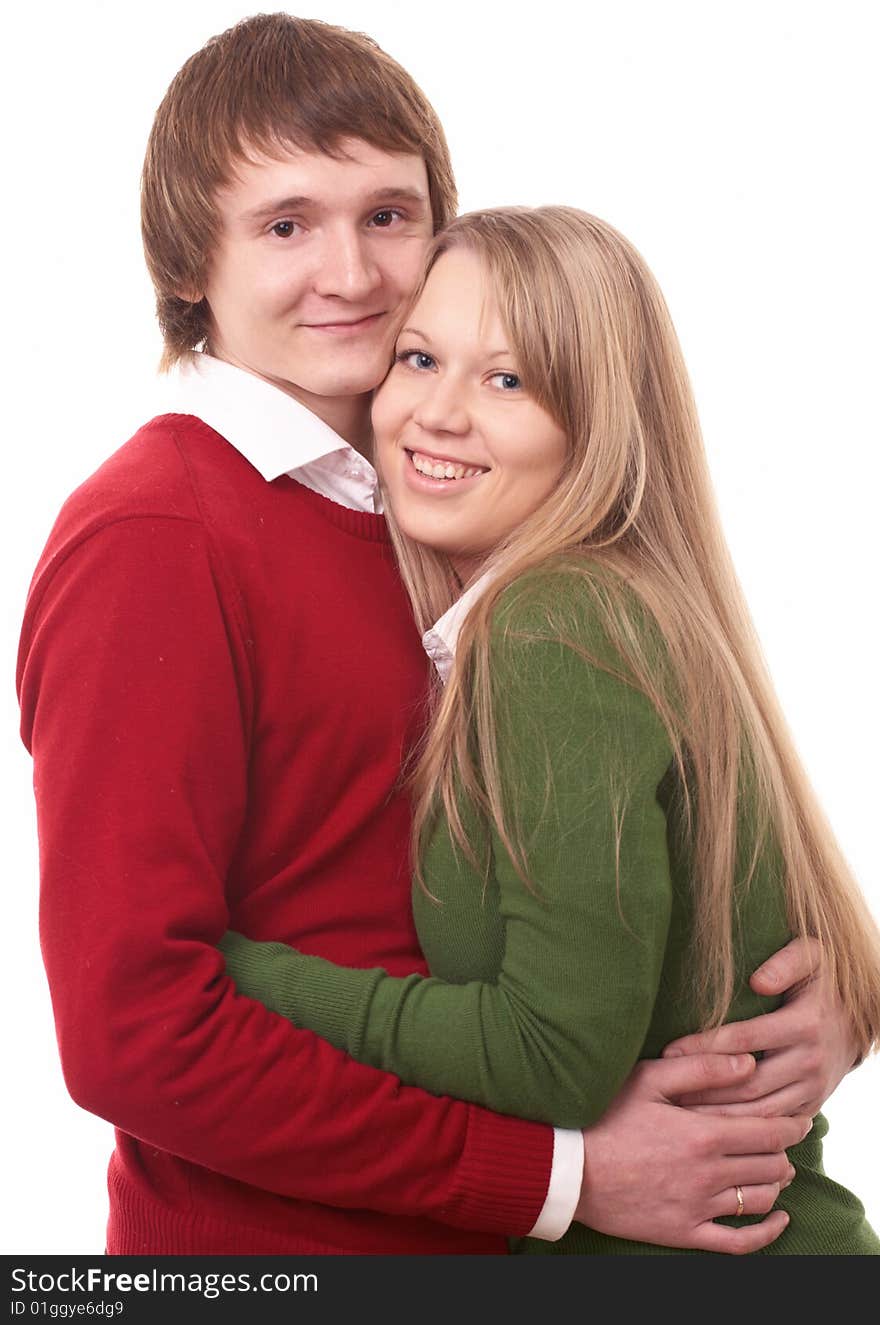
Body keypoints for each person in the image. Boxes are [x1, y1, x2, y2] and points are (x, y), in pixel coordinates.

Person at [15, 14, 854, 1256]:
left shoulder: (450, 512)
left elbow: (656, 798)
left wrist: (818, 980)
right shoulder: (158, 537)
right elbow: (134, 1028)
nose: (349, 274)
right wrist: (555, 1175)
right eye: (285, 224)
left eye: (389, 216)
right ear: (189, 260)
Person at [219, 206, 880, 1254]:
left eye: (508, 380)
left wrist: (230, 973)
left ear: (598, 422)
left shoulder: (554, 624)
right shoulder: (598, 606)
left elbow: (551, 1050)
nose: (436, 413)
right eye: (421, 356)